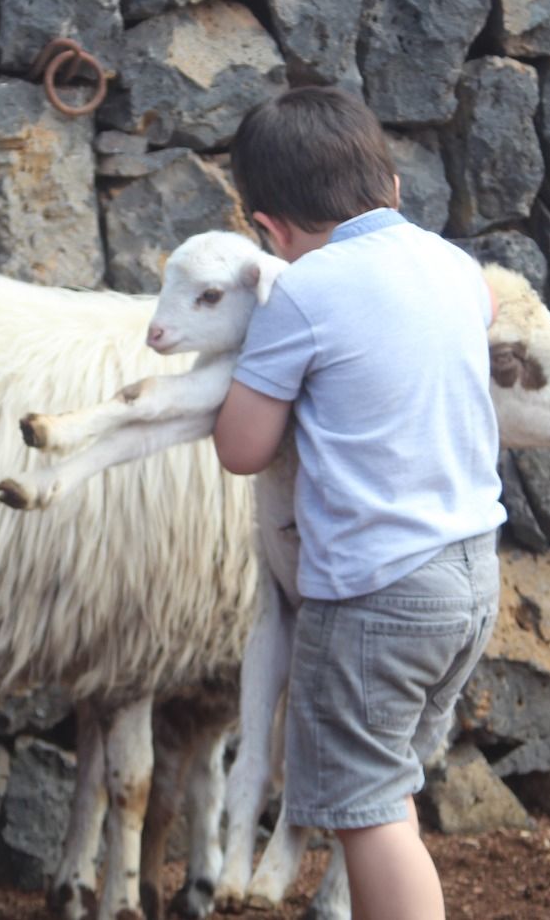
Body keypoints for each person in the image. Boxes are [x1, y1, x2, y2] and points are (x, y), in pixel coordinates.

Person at [212, 86, 505, 920]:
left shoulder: (305, 294)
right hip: (469, 580)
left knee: (372, 820)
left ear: (265, 229)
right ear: (396, 188)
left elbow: (241, 448)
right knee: (387, 791)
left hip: (378, 597)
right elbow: (463, 323)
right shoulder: (457, 268)